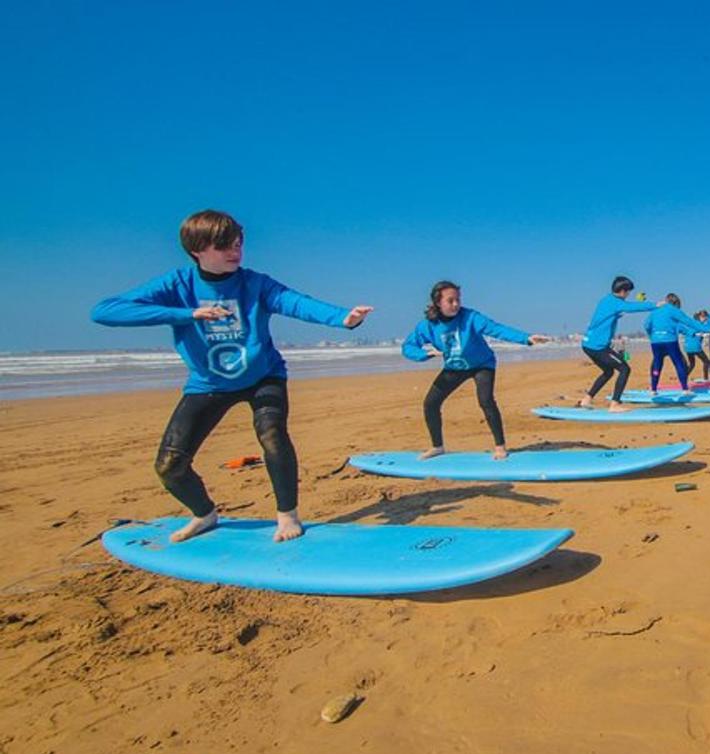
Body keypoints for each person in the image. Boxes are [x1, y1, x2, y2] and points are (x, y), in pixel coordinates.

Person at [90, 209, 373, 543]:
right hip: (208, 384)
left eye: (238, 244)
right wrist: (187, 314)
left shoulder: (254, 283)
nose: (235, 252)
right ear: (197, 249)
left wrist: (344, 318)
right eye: (224, 246)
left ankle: (287, 516)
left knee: (271, 433)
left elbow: (296, 303)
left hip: (262, 377)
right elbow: (105, 311)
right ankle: (205, 514)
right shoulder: (177, 285)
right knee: (169, 466)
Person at [403, 281, 550, 460]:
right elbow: (408, 346)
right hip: (455, 367)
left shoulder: (470, 317)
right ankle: (437, 447)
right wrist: (424, 353)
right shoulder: (427, 326)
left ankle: (500, 447)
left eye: (458, 299)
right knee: (431, 403)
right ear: (438, 302)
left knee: (485, 400)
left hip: (482, 364)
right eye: (450, 301)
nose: (456, 304)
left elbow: (496, 329)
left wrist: (526, 338)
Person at [579, 276, 658, 411]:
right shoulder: (616, 303)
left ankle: (587, 399)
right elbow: (631, 307)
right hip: (598, 347)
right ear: (622, 291)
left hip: (587, 344)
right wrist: (655, 305)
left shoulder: (606, 300)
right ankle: (615, 404)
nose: (628, 295)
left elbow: (612, 312)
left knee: (608, 372)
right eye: (628, 292)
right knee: (624, 369)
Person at [643, 293, 707, 392]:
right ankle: (685, 389)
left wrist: (652, 336)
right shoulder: (673, 310)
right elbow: (689, 321)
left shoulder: (655, 311)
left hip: (656, 342)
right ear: (676, 303)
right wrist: (705, 329)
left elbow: (646, 325)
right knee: (679, 363)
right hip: (670, 341)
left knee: (657, 364)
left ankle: (653, 390)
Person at [685, 310, 710, 381]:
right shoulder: (699, 325)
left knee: (692, 364)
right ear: (700, 317)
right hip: (695, 347)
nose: (706, 320)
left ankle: (684, 377)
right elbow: (707, 329)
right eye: (705, 318)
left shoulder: (692, 324)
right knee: (706, 361)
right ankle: (706, 379)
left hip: (688, 348)